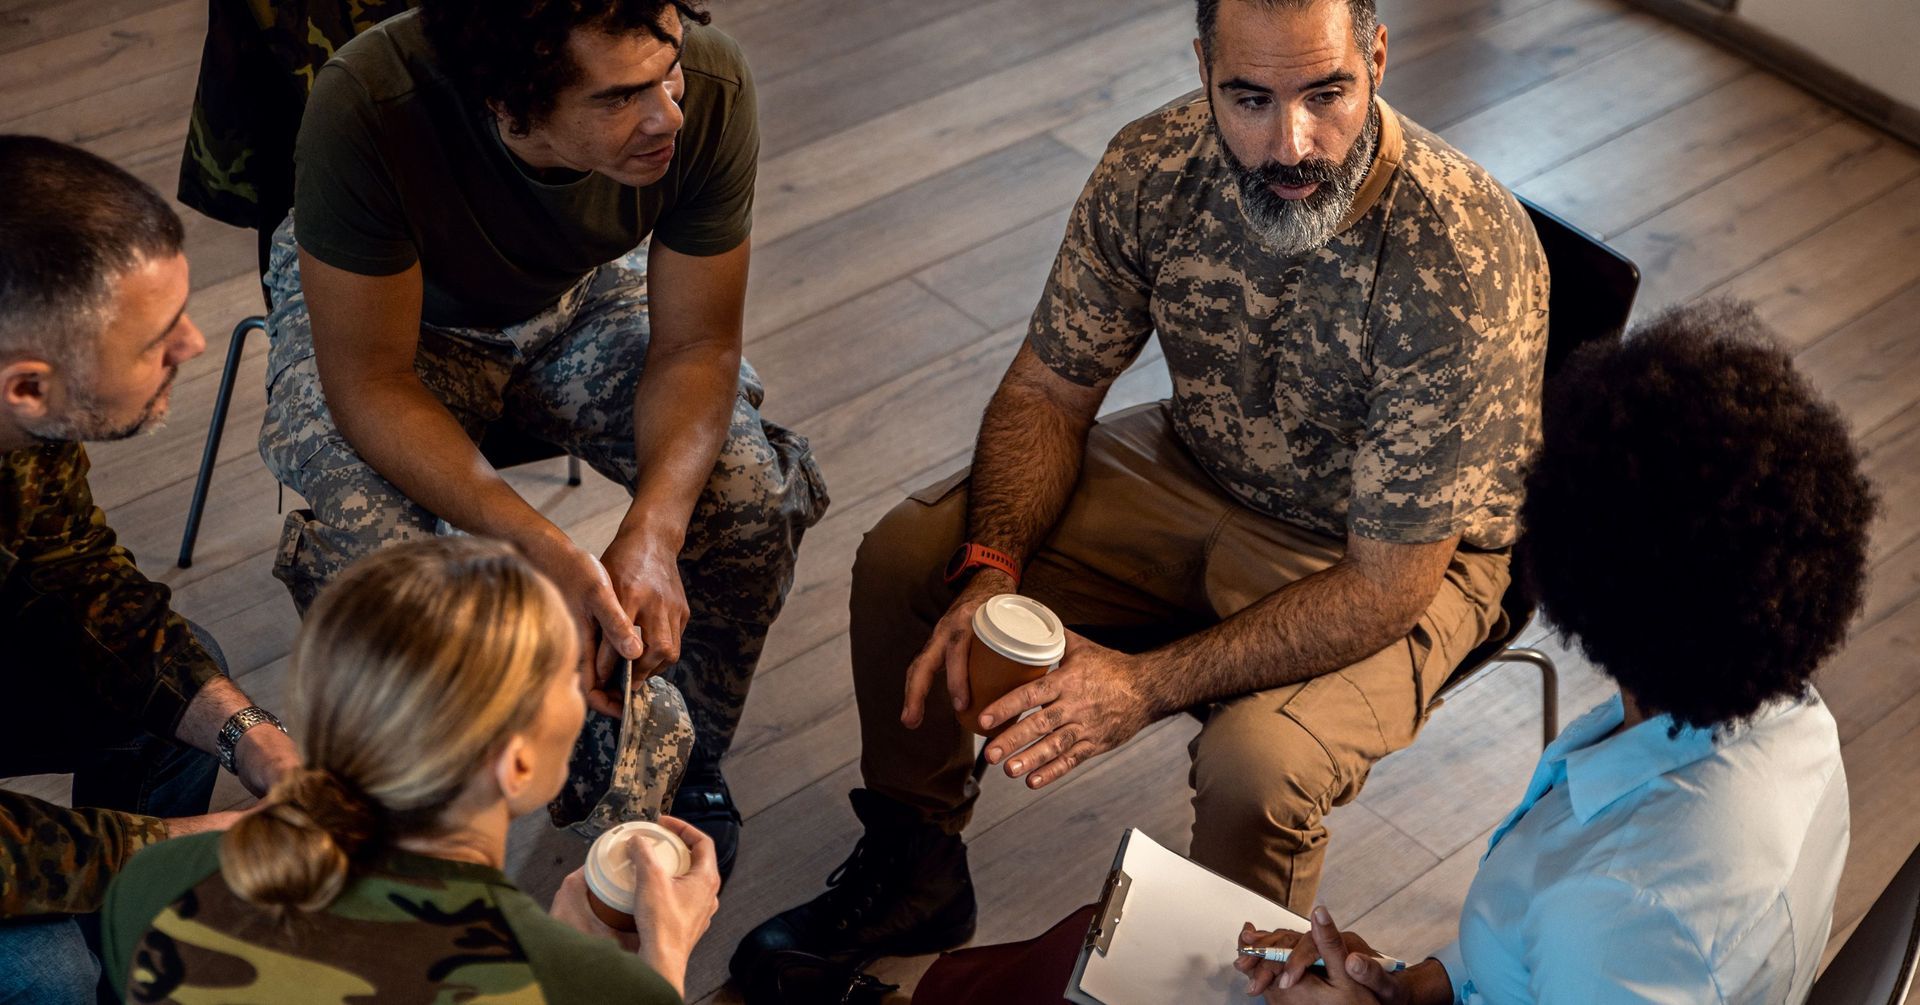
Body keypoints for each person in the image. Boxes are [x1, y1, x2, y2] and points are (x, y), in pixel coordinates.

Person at [738, 0, 1548, 975]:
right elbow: (1046, 388)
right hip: (1197, 462)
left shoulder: (1455, 258)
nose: (1291, 142)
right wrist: (993, 570)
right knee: (916, 560)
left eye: (1325, 92)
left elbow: (1387, 588)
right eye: (1248, 97)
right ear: (1203, 66)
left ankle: (1217, 984)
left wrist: (1143, 685)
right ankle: (914, 869)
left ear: (1376, 58)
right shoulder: (1155, 164)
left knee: (1261, 768)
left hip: (1393, 554)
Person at [257, 0, 830, 871]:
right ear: (508, 104)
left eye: (668, 67)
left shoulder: (706, 86)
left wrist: (653, 531)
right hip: (392, 323)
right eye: (619, 98)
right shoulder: (371, 105)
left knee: (746, 495)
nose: (668, 111)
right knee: (368, 560)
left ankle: (673, 751)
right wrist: (541, 548)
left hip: (580, 292)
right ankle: (418, 810)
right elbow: (371, 383)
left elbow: (698, 344)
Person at [1235, 299, 1871, 1003]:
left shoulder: (1620, 907)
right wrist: (1418, 984)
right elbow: (1536, 934)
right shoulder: (1793, 716)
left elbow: (1593, 931)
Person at [101, 537, 723, 1002]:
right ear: (516, 762)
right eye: (568, 673)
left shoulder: (152, 881)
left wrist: (550, 945)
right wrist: (663, 960)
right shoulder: (599, 991)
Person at [0, 135, 302, 1001]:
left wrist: (251, 736)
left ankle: (129, 949)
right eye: (156, 339)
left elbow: (77, 574)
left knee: (172, 692)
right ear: (29, 384)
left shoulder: (27, 423)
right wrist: (203, 843)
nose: (198, 343)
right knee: (50, 974)